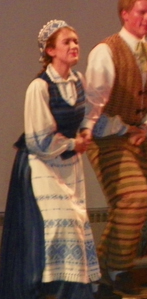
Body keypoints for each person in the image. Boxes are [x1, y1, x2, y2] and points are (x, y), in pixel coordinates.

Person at [0, 20, 101, 299]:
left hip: (70, 165)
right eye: (67, 42)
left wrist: (85, 132)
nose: (74, 46)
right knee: (59, 224)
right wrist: (72, 142)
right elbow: (38, 138)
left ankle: (71, 291)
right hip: (41, 164)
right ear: (51, 50)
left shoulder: (78, 81)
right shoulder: (39, 86)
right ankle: (46, 287)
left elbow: (89, 115)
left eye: (76, 41)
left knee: (76, 224)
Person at [83, 0, 147, 297]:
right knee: (134, 196)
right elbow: (93, 106)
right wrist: (124, 128)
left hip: (139, 139)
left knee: (137, 207)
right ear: (125, 14)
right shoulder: (106, 51)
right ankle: (109, 271)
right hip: (106, 138)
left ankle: (108, 272)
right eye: (142, 12)